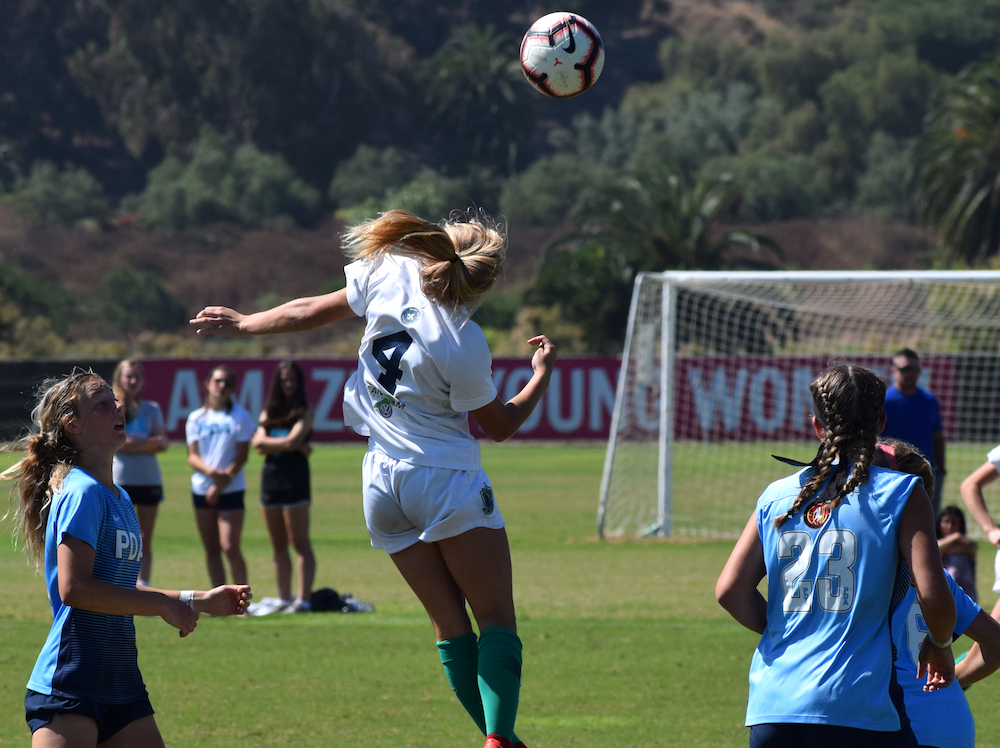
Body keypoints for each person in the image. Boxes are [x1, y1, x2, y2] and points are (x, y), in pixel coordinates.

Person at [190, 208, 555, 748]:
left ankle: (499, 739)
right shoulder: (463, 338)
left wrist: (246, 323)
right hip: (445, 479)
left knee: (449, 626)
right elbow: (499, 425)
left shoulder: (391, 270)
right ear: (483, 282)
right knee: (496, 617)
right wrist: (541, 377)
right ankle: (499, 738)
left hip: (381, 482)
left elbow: (310, 309)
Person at [1, 370, 250, 747]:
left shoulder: (119, 497)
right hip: (72, 681)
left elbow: (114, 587)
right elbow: (75, 588)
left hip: (121, 682)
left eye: (114, 401)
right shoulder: (82, 491)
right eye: (102, 405)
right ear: (73, 425)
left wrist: (197, 599)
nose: (118, 407)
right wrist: (162, 605)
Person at [716, 363, 956, 748]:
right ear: (881, 423)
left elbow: (729, 590)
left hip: (773, 709)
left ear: (816, 425)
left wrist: (791, 636)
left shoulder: (776, 495)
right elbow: (934, 596)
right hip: (857, 708)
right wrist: (940, 645)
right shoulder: (902, 491)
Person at [874, 438, 1000, 748]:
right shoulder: (939, 577)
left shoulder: (867, 569)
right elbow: (996, 643)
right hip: (949, 723)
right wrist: (949, 677)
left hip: (890, 725)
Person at [251, 361, 317, 615]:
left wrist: (287, 444)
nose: (288, 384)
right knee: (277, 544)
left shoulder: (306, 410)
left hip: (295, 478)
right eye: (284, 380)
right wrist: (291, 444)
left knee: (299, 542)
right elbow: (257, 444)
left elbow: (292, 440)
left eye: (292, 380)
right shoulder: (269, 410)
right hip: (270, 479)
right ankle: (284, 598)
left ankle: (304, 600)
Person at [185, 365, 255, 588]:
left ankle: (242, 601)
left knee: (230, 546)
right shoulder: (196, 418)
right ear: (208, 384)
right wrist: (212, 475)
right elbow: (192, 457)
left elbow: (242, 456)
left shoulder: (240, 416)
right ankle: (219, 601)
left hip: (231, 488)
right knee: (211, 548)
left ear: (233, 388)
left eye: (226, 382)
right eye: (217, 381)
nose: (221, 386)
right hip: (202, 488)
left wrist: (221, 482)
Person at [111, 359, 169, 587]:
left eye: (137, 377)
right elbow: (113, 442)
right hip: (120, 480)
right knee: (118, 538)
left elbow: (163, 442)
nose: (133, 381)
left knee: (144, 538)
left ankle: (144, 586)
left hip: (148, 479)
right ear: (119, 379)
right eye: (129, 376)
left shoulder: (151, 409)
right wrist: (147, 443)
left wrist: (128, 442)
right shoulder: (112, 408)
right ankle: (117, 586)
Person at [882, 348, 946, 514]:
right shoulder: (885, 402)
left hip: (927, 474)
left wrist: (941, 469)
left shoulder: (929, 401)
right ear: (894, 370)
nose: (910, 374)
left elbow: (937, 436)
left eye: (914, 369)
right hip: (894, 474)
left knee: (928, 521)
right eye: (904, 369)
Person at [936, 504, 977, 602]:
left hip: (963, 595)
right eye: (946, 522)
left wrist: (947, 546)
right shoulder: (932, 542)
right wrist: (955, 537)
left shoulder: (966, 545)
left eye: (954, 522)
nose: (949, 527)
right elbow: (935, 547)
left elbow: (971, 548)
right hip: (939, 592)